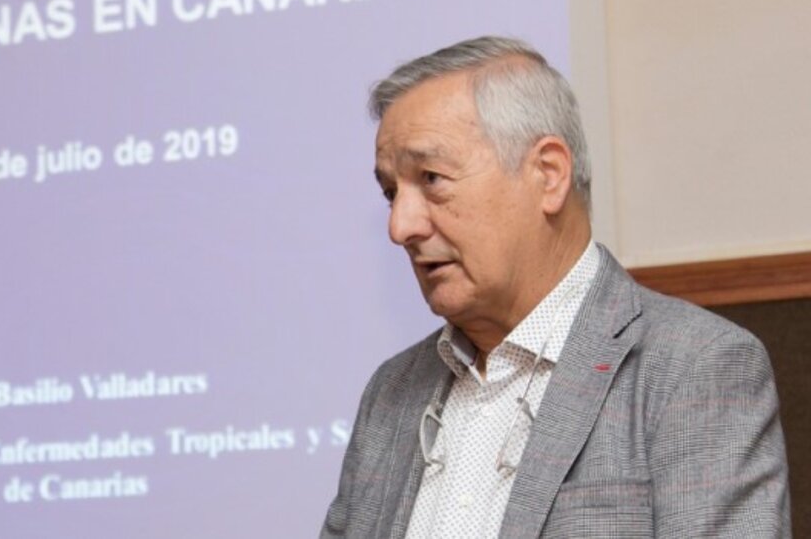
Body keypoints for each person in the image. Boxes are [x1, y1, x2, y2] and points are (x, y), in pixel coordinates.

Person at [320, 36, 790, 538]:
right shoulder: (392, 392)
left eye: (431, 178)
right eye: (392, 193)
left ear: (548, 174)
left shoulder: (694, 367)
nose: (400, 226)